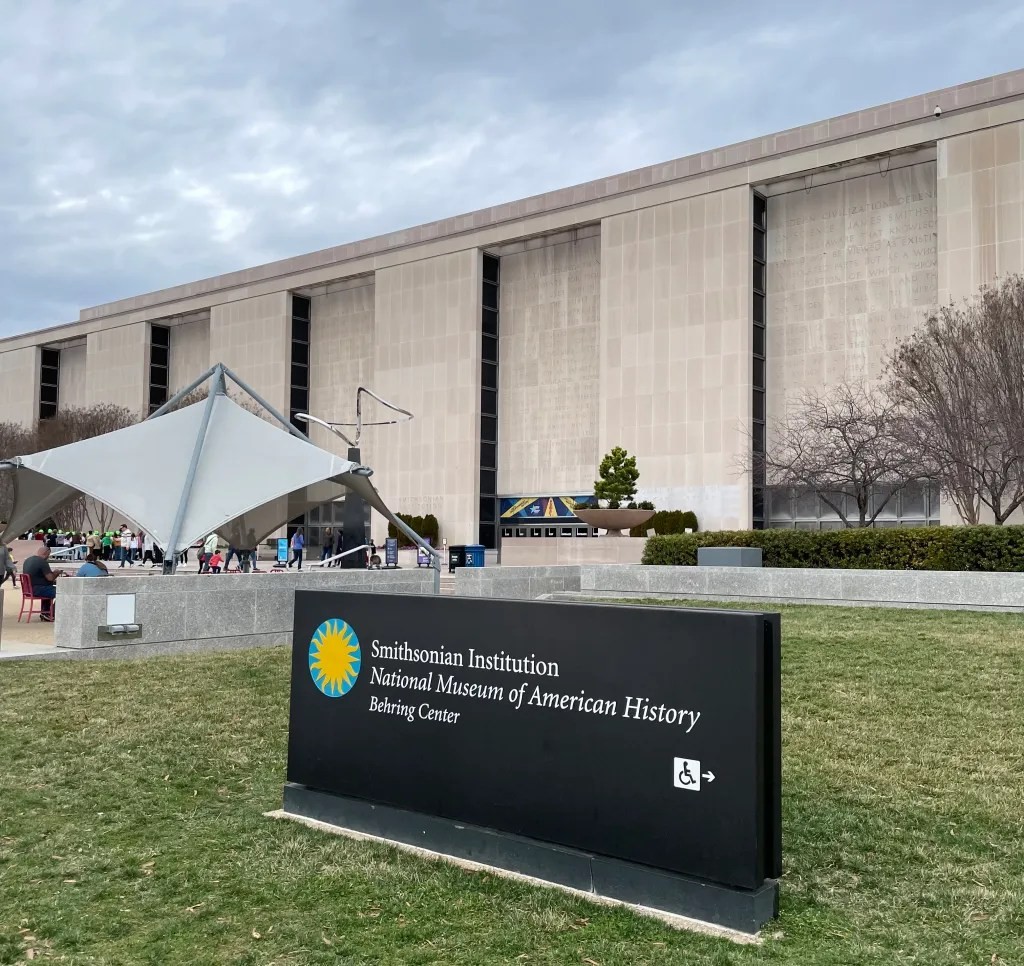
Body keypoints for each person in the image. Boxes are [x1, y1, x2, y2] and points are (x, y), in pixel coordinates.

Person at [22, 544, 60, 621]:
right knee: (62, 593)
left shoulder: (27, 560)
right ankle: (51, 614)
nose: (48, 557)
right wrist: (56, 573)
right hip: (38, 589)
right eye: (48, 555)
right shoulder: (42, 562)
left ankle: (44, 612)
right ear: (46, 553)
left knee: (49, 588)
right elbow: (50, 578)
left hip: (29, 589)